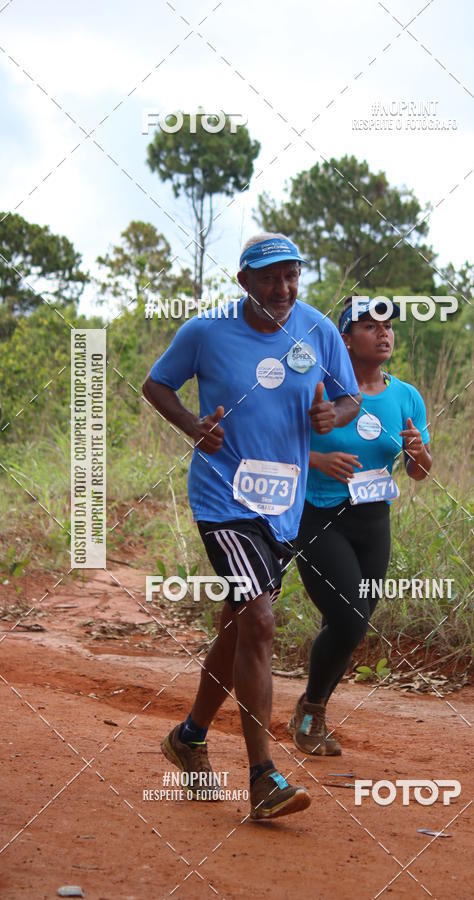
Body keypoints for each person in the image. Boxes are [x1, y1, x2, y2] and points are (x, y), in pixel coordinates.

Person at [142, 234, 360, 819]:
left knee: (239, 627)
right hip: (223, 501)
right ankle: (263, 777)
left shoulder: (318, 330)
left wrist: (331, 414)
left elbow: (349, 399)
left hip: (283, 505)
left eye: (291, 276)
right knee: (259, 619)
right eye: (269, 277)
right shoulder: (206, 331)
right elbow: (156, 384)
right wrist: (193, 425)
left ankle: (189, 738)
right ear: (243, 281)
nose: (283, 288)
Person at [288, 295, 432, 755]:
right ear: (345, 339)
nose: (383, 333)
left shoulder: (406, 396)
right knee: (349, 619)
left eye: (387, 326)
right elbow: (274, 445)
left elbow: (418, 472)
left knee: (355, 621)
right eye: (369, 326)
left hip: (373, 521)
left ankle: (312, 711)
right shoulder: (316, 387)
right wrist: (318, 460)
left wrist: (418, 453)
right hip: (317, 515)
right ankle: (311, 712)